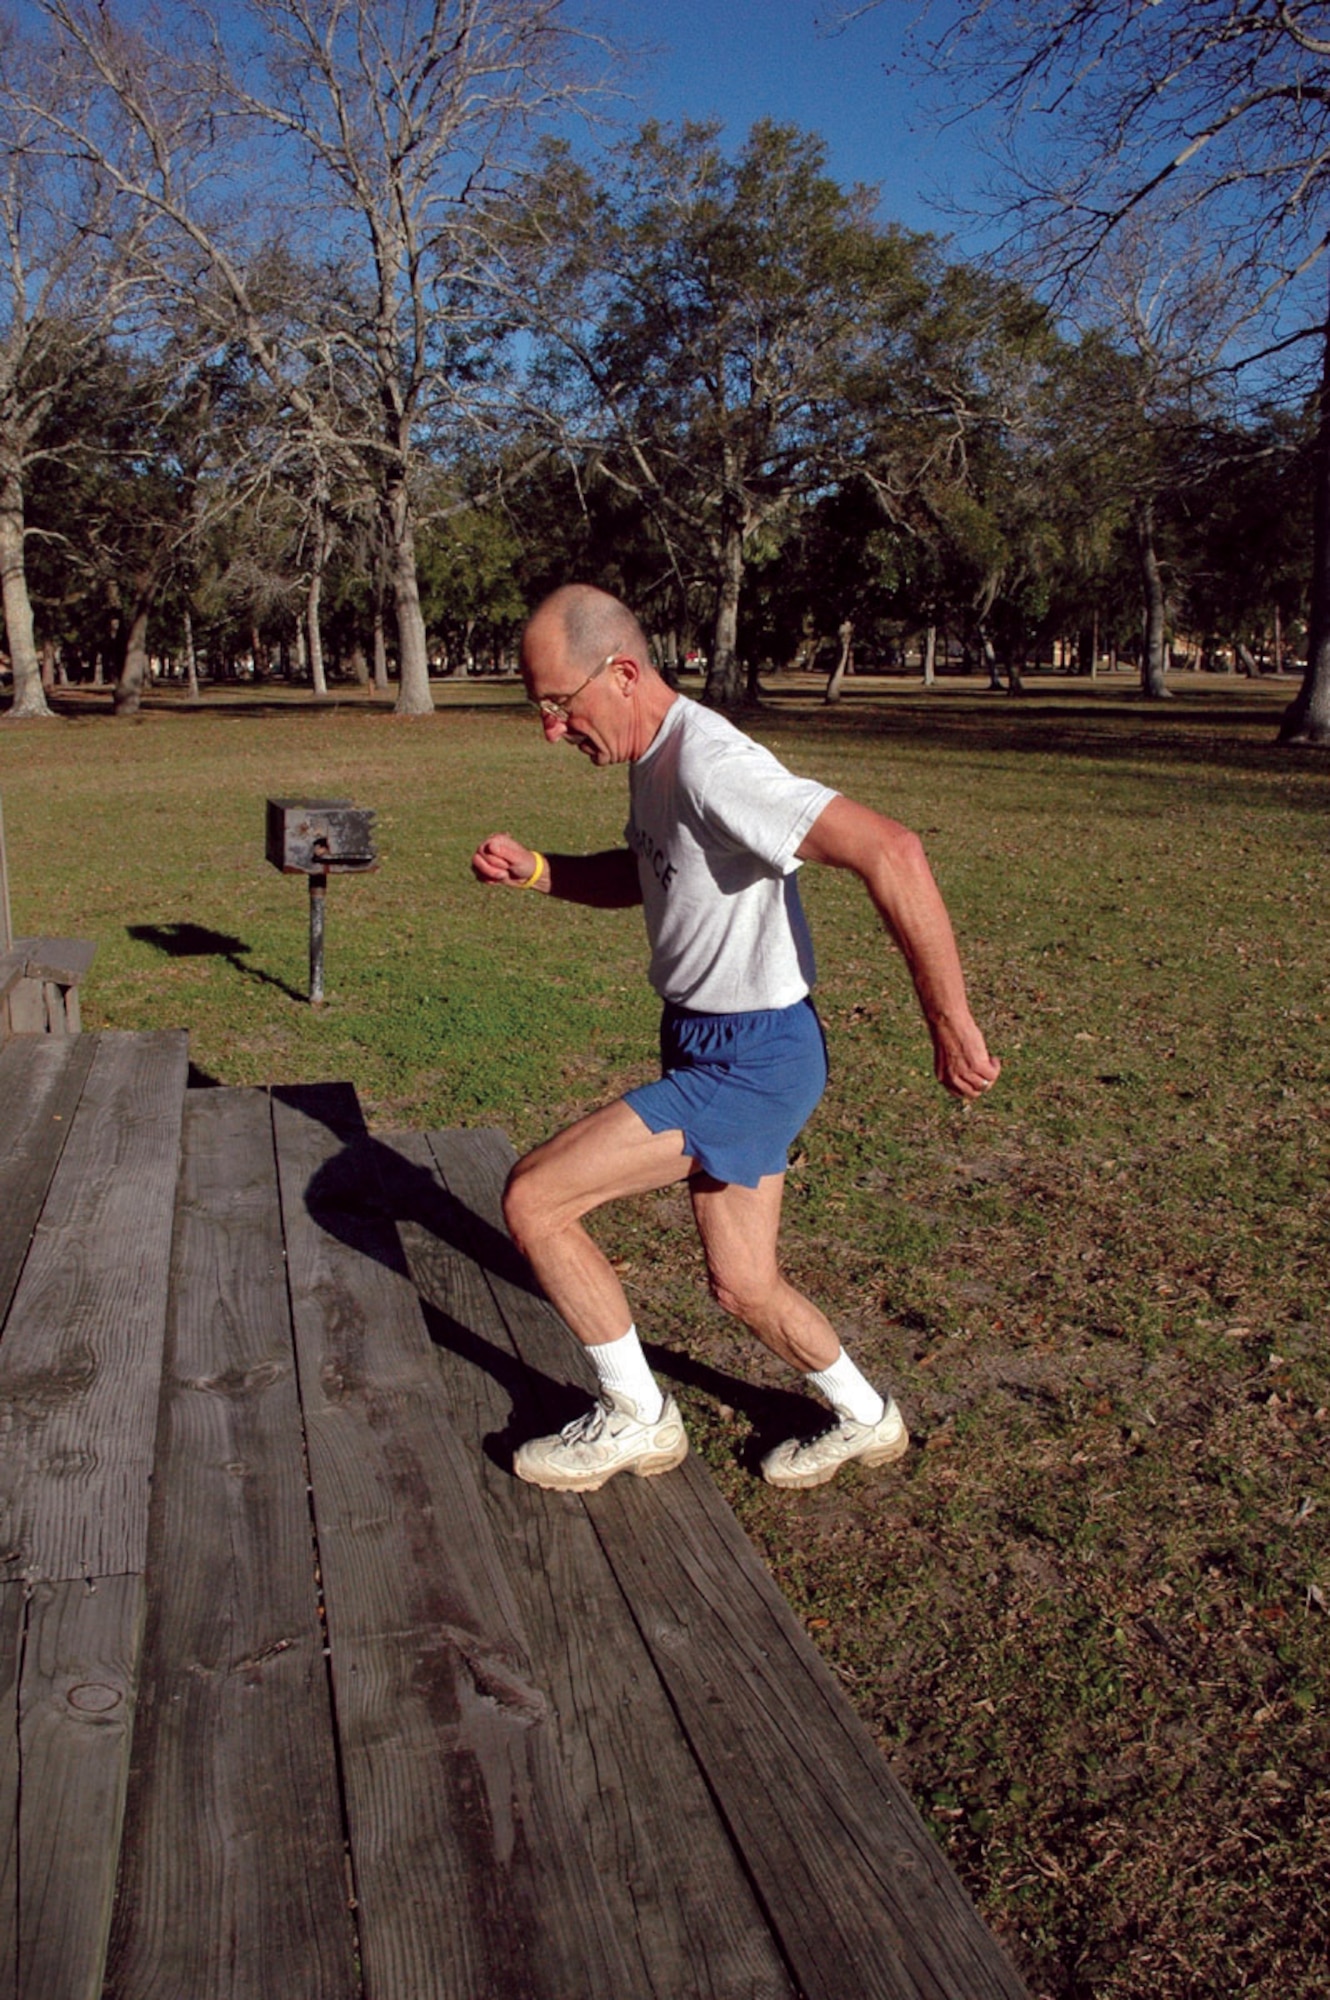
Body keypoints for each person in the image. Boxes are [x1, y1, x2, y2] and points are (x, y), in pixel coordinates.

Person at [471, 584, 1000, 1494]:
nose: (552, 730)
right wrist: (541, 872)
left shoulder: (713, 763)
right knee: (744, 1286)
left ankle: (638, 1417)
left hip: (753, 1059)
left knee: (535, 1200)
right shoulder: (652, 756)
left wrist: (949, 1021)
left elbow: (892, 849)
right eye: (541, 709)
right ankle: (866, 1417)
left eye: (560, 704)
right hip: (708, 1040)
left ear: (622, 673)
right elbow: (652, 875)